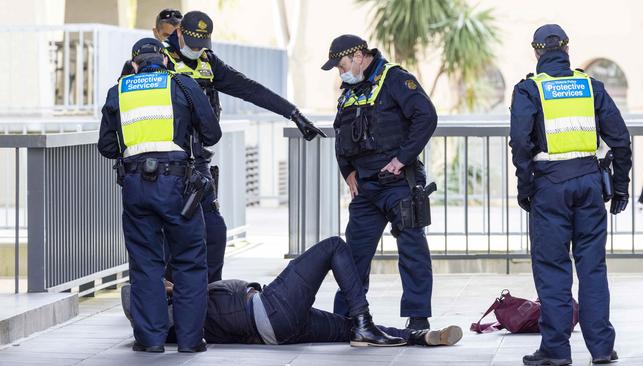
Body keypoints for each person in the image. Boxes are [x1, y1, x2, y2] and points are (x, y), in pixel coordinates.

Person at [161, 10, 324, 283]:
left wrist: (293, 113)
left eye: (202, 44)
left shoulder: (208, 63)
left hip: (198, 165)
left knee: (214, 232)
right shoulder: (159, 60)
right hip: (168, 163)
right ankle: (164, 301)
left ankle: (212, 300)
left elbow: (249, 88)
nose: (197, 49)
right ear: (178, 33)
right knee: (170, 238)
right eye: (192, 42)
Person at [509, 24, 632, 365]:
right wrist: (620, 185)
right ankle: (602, 349)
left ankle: (557, 349)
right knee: (593, 267)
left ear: (536, 51)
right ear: (566, 49)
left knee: (553, 269)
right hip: (590, 184)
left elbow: (520, 143)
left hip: (549, 187)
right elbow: (620, 139)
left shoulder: (529, 90)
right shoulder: (590, 86)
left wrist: (524, 189)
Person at [98, 38, 221, 353]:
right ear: (165, 60)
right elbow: (212, 133)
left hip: (136, 186)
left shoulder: (119, 91)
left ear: (135, 63)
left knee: (145, 264)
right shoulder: (181, 84)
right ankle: (191, 341)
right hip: (178, 186)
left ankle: (151, 340)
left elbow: (107, 147)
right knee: (190, 262)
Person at [121, 237, 463, 347]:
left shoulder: (183, 313)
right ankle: (364, 320)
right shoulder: (181, 311)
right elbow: (149, 294)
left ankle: (421, 336)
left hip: (281, 329)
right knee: (333, 247)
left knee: (350, 332)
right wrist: (167, 287)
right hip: (271, 310)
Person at [321, 35, 437, 330]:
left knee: (412, 251)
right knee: (354, 256)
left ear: (359, 56)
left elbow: (426, 117)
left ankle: (418, 318)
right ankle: (346, 317)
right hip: (366, 190)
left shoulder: (395, 80)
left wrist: (402, 159)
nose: (340, 71)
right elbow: (341, 134)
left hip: (399, 183)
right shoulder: (349, 90)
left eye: (342, 64)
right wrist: (346, 171)